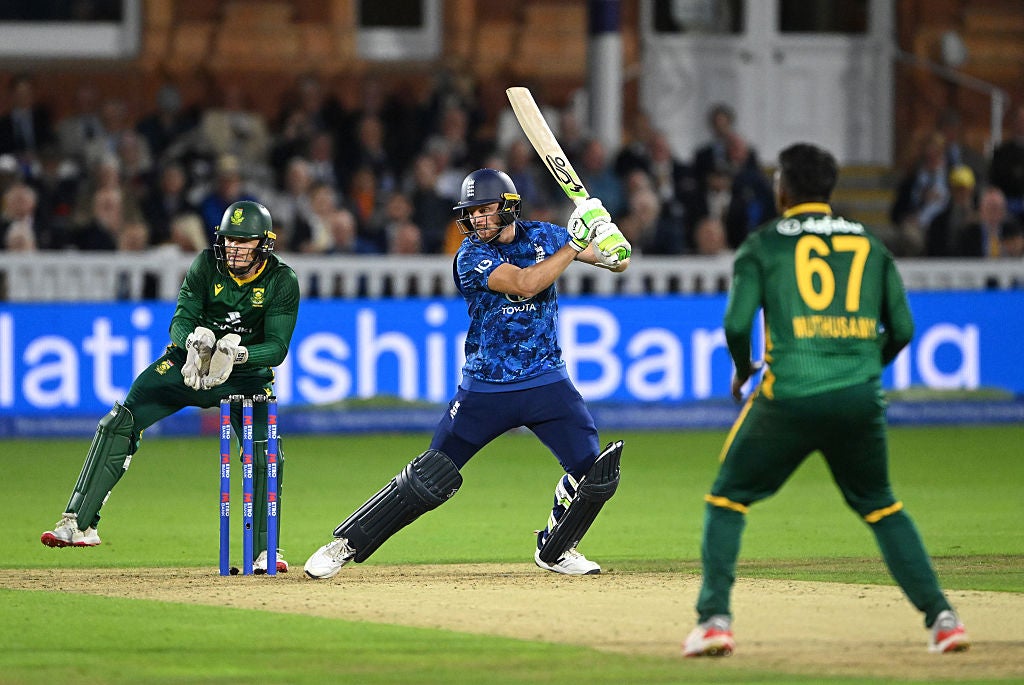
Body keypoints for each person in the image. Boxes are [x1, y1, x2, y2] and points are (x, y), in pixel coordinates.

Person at [682, 143, 970, 657]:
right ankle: (943, 619)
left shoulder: (764, 244)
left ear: (783, 189)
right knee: (882, 506)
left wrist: (741, 368)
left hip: (787, 396)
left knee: (726, 501)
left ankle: (715, 622)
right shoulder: (871, 244)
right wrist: (861, 370)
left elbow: (735, 323)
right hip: (859, 399)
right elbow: (902, 328)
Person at [304, 168, 632, 579]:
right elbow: (527, 284)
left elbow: (616, 262)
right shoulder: (471, 256)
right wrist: (575, 244)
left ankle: (557, 547)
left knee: (594, 475)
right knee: (430, 477)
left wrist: (606, 234)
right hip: (486, 388)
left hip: (547, 380)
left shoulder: (544, 236)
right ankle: (346, 545)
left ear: (509, 207)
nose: (477, 219)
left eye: (486, 210)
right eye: (472, 212)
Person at [41, 200, 300, 574]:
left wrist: (238, 353)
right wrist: (193, 342)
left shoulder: (281, 280)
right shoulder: (204, 265)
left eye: (244, 243)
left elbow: (276, 349)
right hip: (189, 367)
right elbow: (180, 321)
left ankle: (264, 550)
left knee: (265, 451)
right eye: (229, 241)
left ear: (264, 244)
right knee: (120, 419)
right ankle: (78, 523)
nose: (234, 249)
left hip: (245, 376)